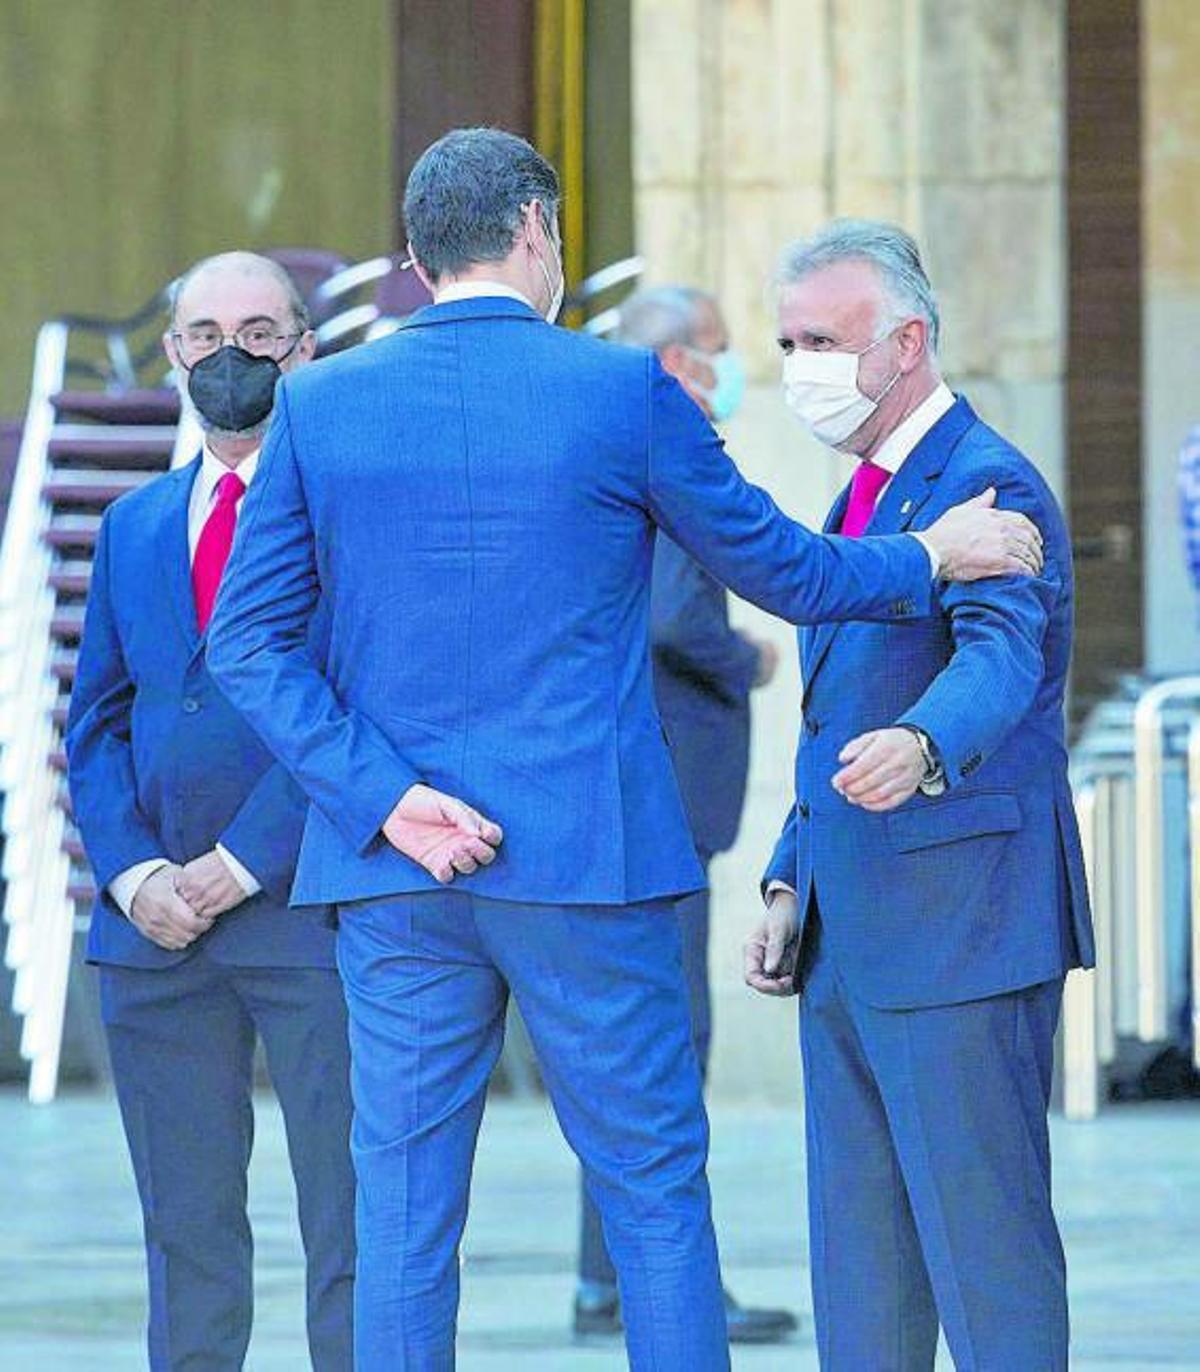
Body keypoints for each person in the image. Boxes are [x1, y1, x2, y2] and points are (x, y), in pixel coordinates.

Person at [205, 128, 1043, 1371]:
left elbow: (248, 646)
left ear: (417, 256)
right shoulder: (620, 388)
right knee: (652, 1197)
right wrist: (934, 554)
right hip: (589, 862)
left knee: (403, 1220)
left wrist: (386, 797)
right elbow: (786, 570)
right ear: (537, 229)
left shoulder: (319, 403)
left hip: (393, 873)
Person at [744, 220, 1095, 1370]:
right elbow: (833, 708)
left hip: (960, 929)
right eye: (789, 338)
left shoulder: (990, 485)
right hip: (847, 933)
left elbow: (1003, 655)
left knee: (984, 1260)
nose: (803, 364)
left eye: (825, 339)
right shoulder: (865, 493)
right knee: (863, 1270)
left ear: (906, 341)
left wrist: (924, 743)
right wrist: (791, 875)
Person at [66, 252, 357, 1371]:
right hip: (153, 939)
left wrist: (242, 861)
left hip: (308, 917)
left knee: (354, 1227)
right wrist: (136, 873)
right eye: (201, 331)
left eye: (257, 329)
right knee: (185, 1234)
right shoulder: (136, 523)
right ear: (174, 351)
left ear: (304, 348)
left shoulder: (345, 514)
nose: (226, 352)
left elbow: (355, 705)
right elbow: (95, 719)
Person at [572, 285, 795, 1345]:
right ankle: (654, 1282)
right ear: (672, 365)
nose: (734, 365)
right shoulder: (668, 452)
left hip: (636, 793)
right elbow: (673, 614)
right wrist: (747, 654)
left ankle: (605, 1276)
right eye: (716, 348)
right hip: (659, 789)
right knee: (666, 1047)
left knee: (631, 1045)